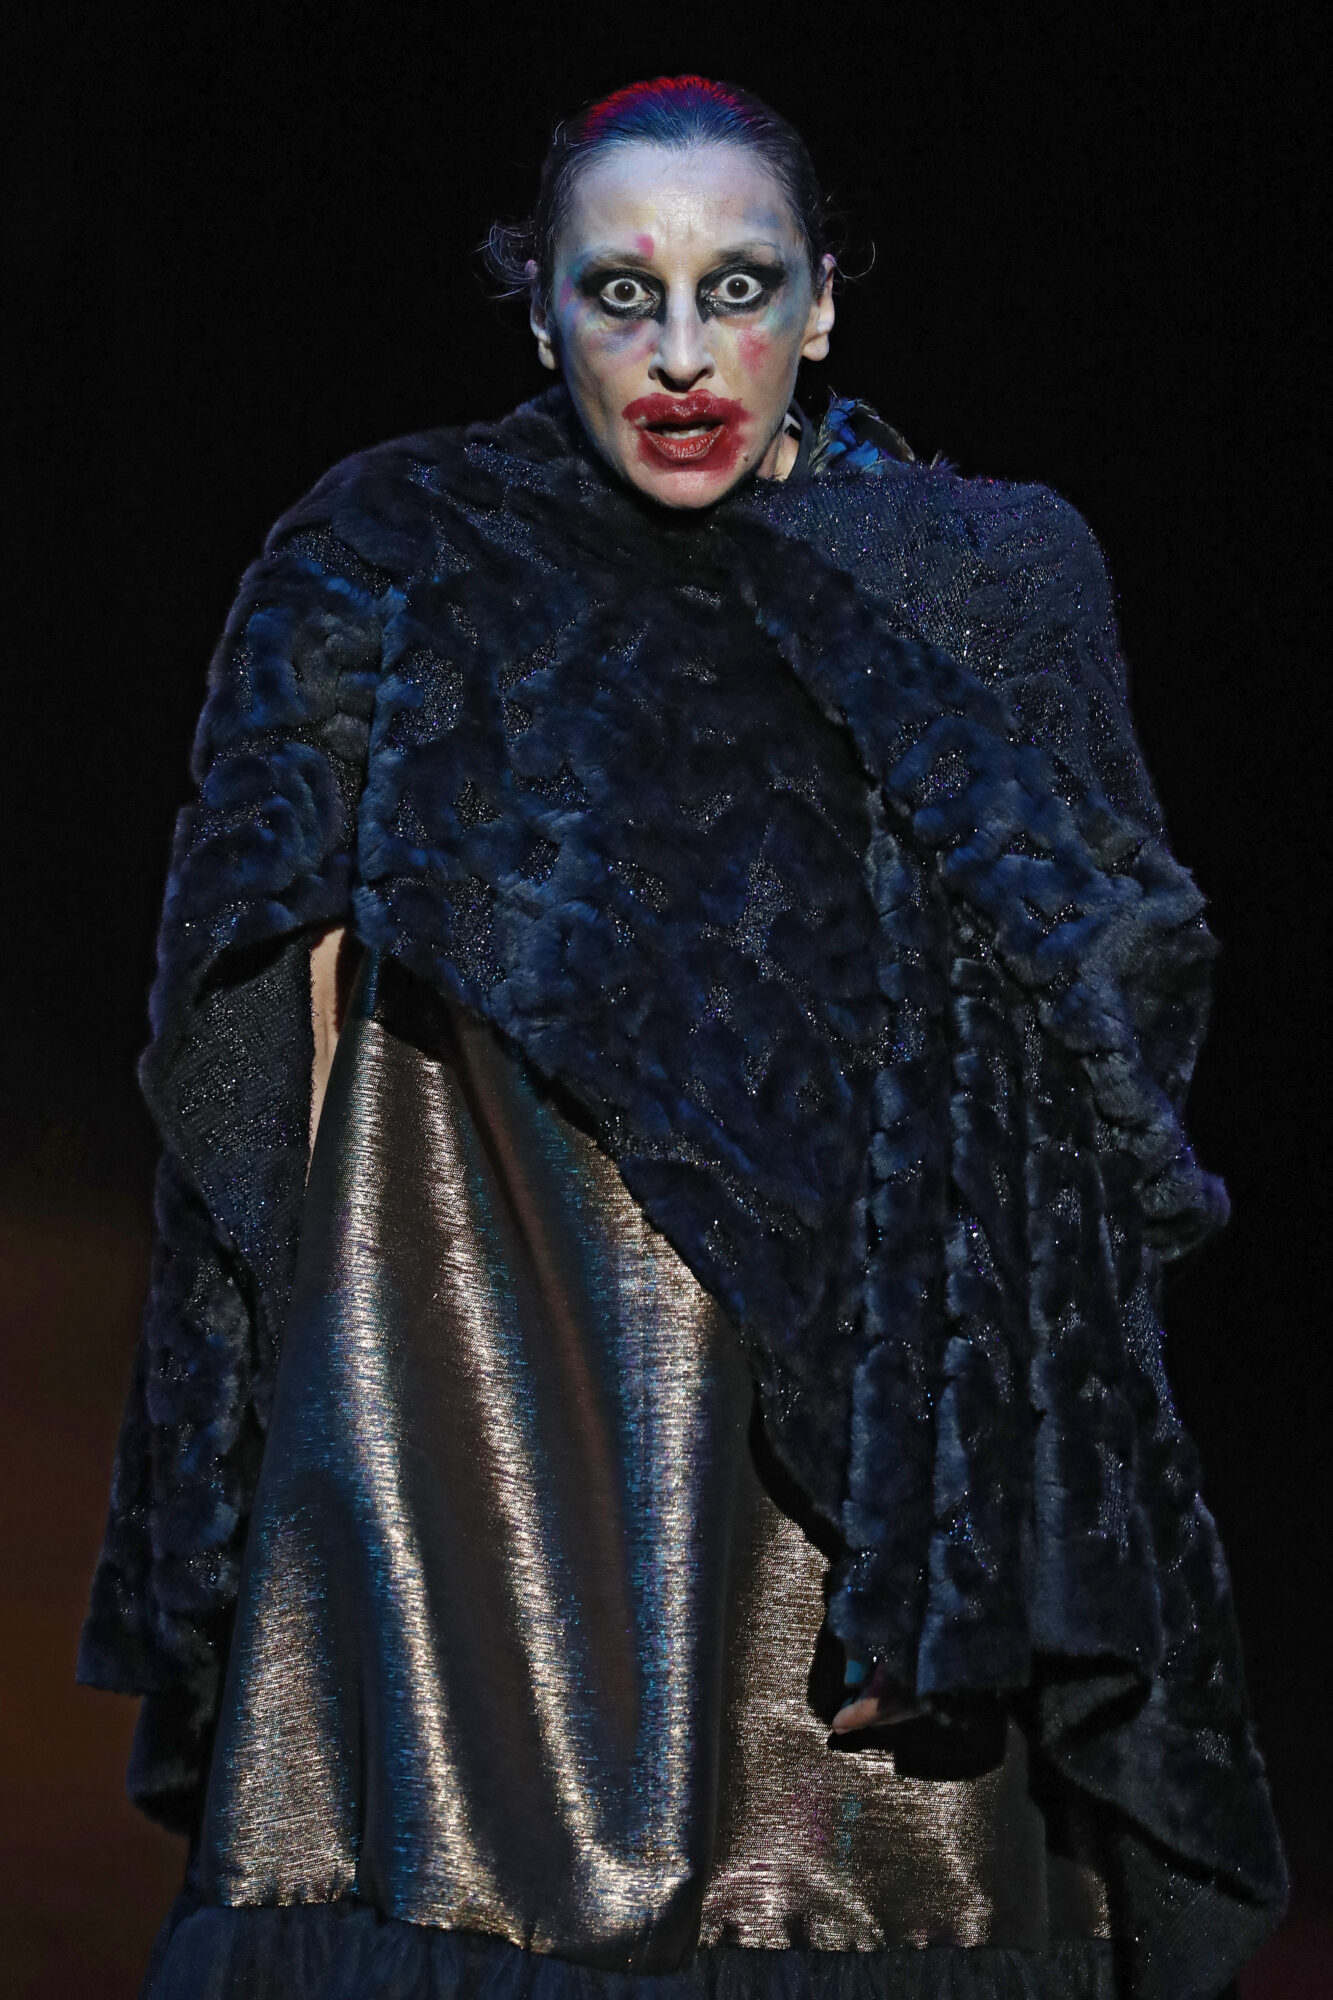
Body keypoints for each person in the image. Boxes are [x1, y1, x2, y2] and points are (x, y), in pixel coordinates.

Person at [79, 74, 1286, 2000]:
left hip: (853, 1437)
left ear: (823, 302)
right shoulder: (396, 552)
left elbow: (1092, 1055)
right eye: (619, 293)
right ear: (539, 312)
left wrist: (981, 1513)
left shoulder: (982, 578)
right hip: (463, 1396)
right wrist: (314, 1440)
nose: (679, 355)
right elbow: (259, 1013)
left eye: (738, 287)